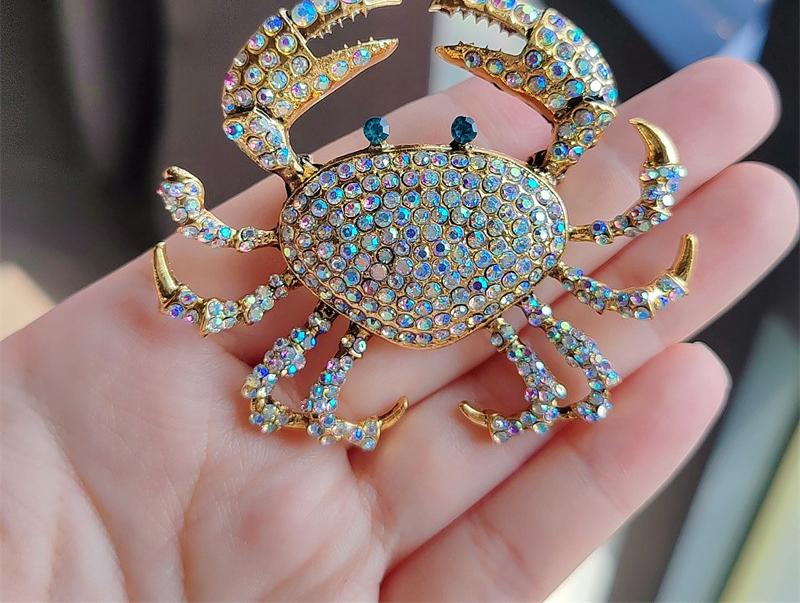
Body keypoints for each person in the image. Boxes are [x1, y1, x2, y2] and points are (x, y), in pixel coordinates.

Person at [2, 57, 797, 601]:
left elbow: (205, 278)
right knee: (578, 370)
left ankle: (339, 411)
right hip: (494, 322)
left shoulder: (321, 204)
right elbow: (638, 249)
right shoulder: (533, 210)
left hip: (363, 328)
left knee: (286, 389)